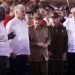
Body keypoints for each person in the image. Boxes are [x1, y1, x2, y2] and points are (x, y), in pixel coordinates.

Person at [6, 4, 30, 75]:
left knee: (23, 72)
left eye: (25, 11)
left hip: (24, 53)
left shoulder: (24, 22)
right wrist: (10, 52)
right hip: (15, 54)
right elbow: (6, 38)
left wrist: (28, 52)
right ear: (16, 12)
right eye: (22, 11)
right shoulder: (11, 23)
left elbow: (26, 38)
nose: (24, 13)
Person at [0, 6, 12, 75]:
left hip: (5, 54)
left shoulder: (2, 23)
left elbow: (5, 40)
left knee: (6, 72)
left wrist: (10, 51)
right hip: (0, 55)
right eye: (4, 13)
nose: (5, 15)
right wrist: (8, 36)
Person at [63, 7, 75, 75]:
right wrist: (68, 19)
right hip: (71, 48)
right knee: (71, 66)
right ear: (71, 13)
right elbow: (62, 26)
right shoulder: (68, 21)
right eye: (73, 12)